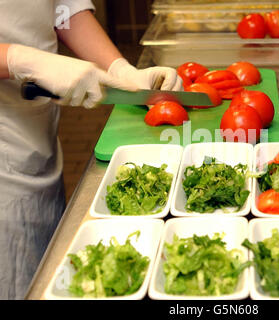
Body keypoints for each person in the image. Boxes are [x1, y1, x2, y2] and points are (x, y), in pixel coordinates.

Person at [0, 0, 182, 300]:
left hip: (36, 142)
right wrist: (22, 60)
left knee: (49, 274)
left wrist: (121, 71)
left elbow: (63, 8)